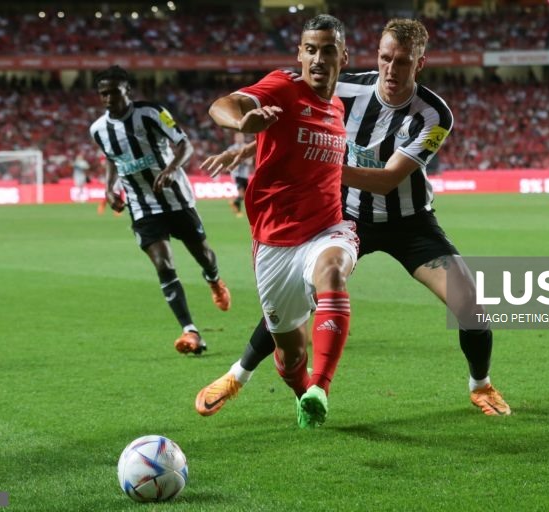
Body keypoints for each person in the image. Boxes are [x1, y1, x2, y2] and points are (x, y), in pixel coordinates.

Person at [196, 18, 510, 417]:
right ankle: (238, 374)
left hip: (409, 223)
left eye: (403, 62)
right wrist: (248, 147)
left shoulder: (435, 115)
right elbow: (294, 123)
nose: (391, 70)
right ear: (376, 56)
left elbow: (389, 179)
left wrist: (312, 162)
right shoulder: (345, 86)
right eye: (385, 58)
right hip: (347, 215)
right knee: (297, 299)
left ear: (420, 63)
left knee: (471, 305)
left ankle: (480, 386)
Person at [206, 14, 357, 429]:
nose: (318, 58)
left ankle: (321, 388)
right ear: (299, 54)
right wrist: (242, 124)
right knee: (290, 352)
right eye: (310, 49)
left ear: (343, 57)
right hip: (274, 243)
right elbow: (222, 105)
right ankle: (303, 392)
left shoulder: (339, 106)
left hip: (328, 229)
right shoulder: (284, 86)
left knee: (333, 272)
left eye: (328, 50)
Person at [89, 65, 231, 355]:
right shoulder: (98, 129)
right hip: (142, 206)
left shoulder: (152, 113)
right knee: (163, 264)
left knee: (203, 255)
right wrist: (109, 188)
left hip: (176, 199)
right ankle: (190, 331)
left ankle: (214, 279)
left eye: (113, 92)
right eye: (103, 94)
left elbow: (184, 145)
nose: (107, 99)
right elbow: (111, 159)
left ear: (127, 90)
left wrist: (171, 168)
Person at [226, 132, 253, 217]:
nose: (239, 139)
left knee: (245, 195)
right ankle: (237, 210)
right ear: (235, 138)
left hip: (245, 174)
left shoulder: (247, 147)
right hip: (237, 174)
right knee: (241, 193)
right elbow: (228, 161)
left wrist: (244, 160)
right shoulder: (232, 148)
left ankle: (234, 203)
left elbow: (250, 161)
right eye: (238, 137)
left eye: (241, 137)